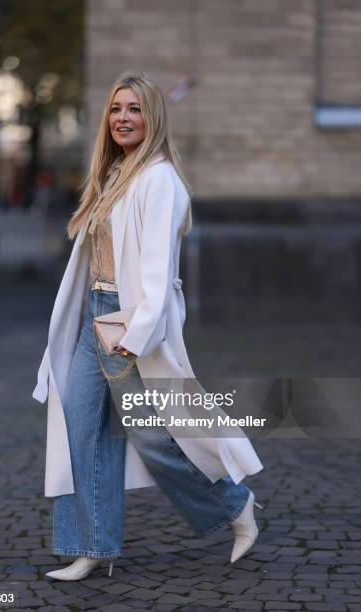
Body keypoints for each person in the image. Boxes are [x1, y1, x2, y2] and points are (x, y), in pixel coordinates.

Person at [32, 71, 264, 582]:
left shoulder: (160, 180)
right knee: (82, 431)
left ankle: (234, 505)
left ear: (152, 116)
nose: (122, 118)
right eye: (116, 109)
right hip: (93, 318)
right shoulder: (116, 175)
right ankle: (93, 546)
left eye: (133, 109)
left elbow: (157, 274)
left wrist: (133, 336)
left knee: (154, 435)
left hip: (127, 323)